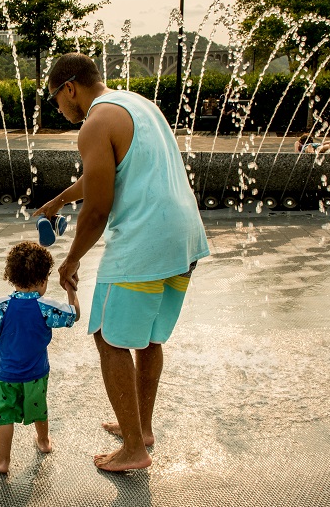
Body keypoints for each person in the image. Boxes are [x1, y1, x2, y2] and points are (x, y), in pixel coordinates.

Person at [34, 53, 210, 472]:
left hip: (143, 242)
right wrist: (59, 200)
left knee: (108, 337)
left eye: (56, 100)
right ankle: (141, 429)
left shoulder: (94, 124)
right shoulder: (137, 103)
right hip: (183, 239)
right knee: (148, 337)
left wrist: (70, 261)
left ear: (69, 88)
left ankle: (134, 449)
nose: (60, 110)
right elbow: (105, 175)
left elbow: (98, 207)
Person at [0, 241, 79, 474]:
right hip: (37, 373)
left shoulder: (2, 306)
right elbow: (73, 316)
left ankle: (4, 461)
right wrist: (71, 289)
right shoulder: (46, 308)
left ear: (12, 277)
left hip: (7, 374)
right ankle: (44, 442)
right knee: (38, 407)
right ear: (43, 281)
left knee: (4, 415)